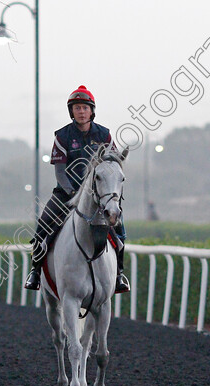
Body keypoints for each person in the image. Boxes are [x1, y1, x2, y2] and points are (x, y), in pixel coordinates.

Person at [24, 85, 130, 293]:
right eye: (77, 108)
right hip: (66, 193)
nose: (81, 112)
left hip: (99, 195)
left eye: (84, 108)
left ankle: (118, 275)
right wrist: (74, 194)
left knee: (119, 230)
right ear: (71, 112)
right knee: (42, 226)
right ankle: (35, 272)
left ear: (92, 110)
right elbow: (60, 173)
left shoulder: (104, 135)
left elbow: (113, 164)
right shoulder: (62, 136)